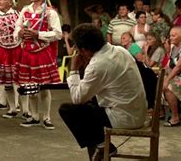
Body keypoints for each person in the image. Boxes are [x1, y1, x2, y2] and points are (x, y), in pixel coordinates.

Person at [59, 24, 147, 160]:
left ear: (84, 50)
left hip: (123, 118)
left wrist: (74, 69)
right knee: (89, 106)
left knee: (69, 110)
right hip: (138, 112)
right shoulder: (120, 50)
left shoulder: (97, 65)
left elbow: (77, 98)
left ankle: (102, 145)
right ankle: (101, 146)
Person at [14, 0, 62, 130]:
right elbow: (17, 28)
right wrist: (20, 33)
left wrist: (38, 34)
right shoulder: (25, 10)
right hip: (27, 52)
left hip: (42, 53)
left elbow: (58, 34)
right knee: (30, 87)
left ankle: (46, 117)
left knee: (44, 87)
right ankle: (34, 116)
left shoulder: (50, 13)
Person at [0, 0, 26, 119]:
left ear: (10, 3)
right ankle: (11, 107)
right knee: (6, 81)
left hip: (17, 50)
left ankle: (24, 108)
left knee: (19, 80)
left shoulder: (18, 15)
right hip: (1, 50)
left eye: (2, 0)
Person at [163, 26, 181, 127]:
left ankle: (175, 117)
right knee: (157, 82)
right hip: (175, 76)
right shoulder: (172, 47)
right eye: (170, 35)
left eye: (173, 35)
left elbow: (179, 66)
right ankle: (161, 112)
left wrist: (167, 79)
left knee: (168, 86)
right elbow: (169, 65)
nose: (170, 38)